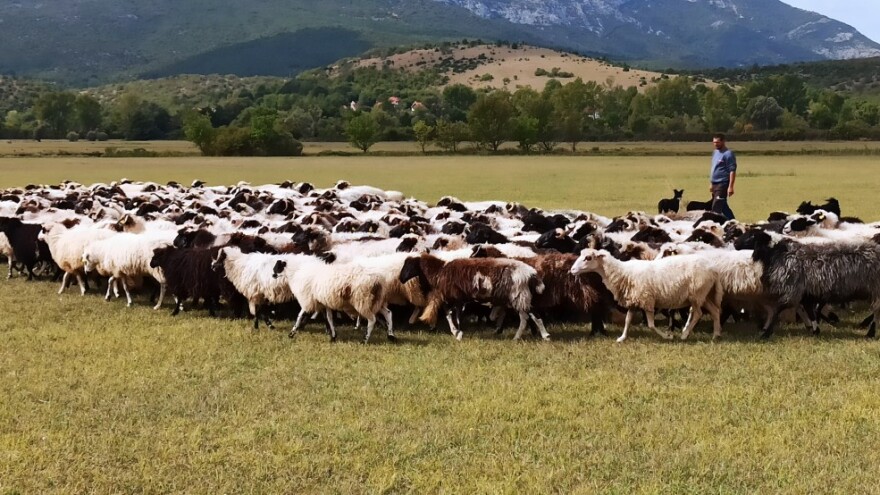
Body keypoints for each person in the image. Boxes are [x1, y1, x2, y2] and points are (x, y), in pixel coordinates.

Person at [709, 133, 736, 220]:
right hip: (715, 183)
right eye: (714, 142)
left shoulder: (728, 154)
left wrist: (730, 187)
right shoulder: (715, 153)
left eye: (717, 142)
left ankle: (713, 226)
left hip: (723, 183)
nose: (715, 144)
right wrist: (711, 183)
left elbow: (732, 171)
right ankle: (734, 223)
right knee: (723, 206)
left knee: (716, 206)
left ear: (723, 141)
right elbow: (714, 168)